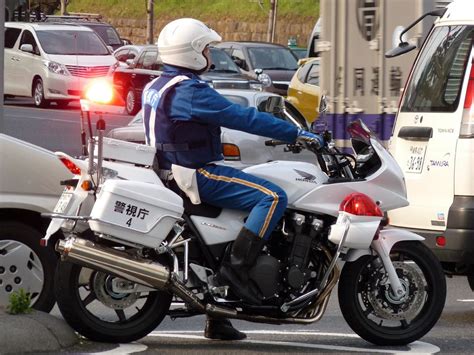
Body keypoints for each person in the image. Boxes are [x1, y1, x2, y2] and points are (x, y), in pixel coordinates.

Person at [143, 18, 324, 341]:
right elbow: (243, 117)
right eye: (207, 48)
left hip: (172, 171)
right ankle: (237, 271)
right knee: (272, 197)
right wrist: (296, 133)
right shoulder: (190, 92)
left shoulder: (159, 85)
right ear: (193, 53)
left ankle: (219, 316)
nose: (211, 54)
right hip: (196, 173)